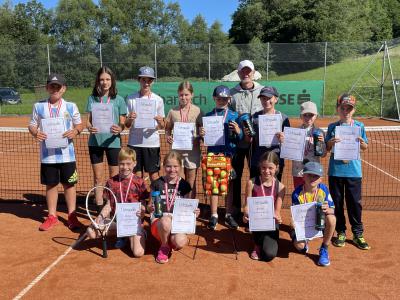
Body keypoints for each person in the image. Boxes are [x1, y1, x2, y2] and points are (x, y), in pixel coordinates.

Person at [28, 73, 84, 231]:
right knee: (51, 185)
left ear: (64, 89)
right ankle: (52, 216)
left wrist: (75, 131)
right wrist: (35, 132)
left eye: (58, 86)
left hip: (67, 154)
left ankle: (72, 216)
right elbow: (32, 125)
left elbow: (80, 124)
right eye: (52, 86)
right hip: (48, 156)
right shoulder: (38, 106)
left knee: (69, 185)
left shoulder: (71, 106)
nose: (55, 89)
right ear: (47, 88)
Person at [325, 93, 370, 250]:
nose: (346, 111)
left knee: (354, 204)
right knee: (337, 204)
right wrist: (330, 142)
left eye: (349, 108)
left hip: (354, 172)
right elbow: (326, 148)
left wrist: (362, 143)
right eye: (343, 108)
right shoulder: (332, 127)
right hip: (336, 171)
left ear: (353, 110)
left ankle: (358, 234)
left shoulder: (359, 126)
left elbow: (365, 147)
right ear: (338, 109)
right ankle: (341, 232)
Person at [86, 147, 149, 257]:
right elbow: (109, 204)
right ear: (118, 163)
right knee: (90, 232)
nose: (125, 167)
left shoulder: (140, 182)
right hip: (117, 223)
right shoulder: (111, 182)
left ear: (135, 163)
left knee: (138, 253)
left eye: (128, 164)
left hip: (134, 223)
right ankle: (123, 235)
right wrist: (100, 217)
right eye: (122, 163)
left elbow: (143, 203)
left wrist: (142, 211)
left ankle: (139, 234)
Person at [200, 85, 243, 230]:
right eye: (219, 98)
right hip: (213, 155)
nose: (221, 101)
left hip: (229, 156)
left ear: (229, 99)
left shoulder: (234, 116)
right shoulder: (208, 116)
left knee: (228, 186)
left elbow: (240, 138)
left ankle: (228, 214)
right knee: (214, 186)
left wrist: (238, 131)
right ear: (214, 98)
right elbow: (203, 140)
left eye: (224, 98)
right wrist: (202, 134)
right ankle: (214, 215)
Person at [86, 66, 127, 211]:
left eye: (108, 79)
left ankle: (113, 207)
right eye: (102, 79)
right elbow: (88, 121)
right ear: (98, 81)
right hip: (95, 142)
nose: (105, 82)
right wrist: (90, 127)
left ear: (112, 81)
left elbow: (123, 123)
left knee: (114, 177)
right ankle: (98, 207)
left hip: (113, 143)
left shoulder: (119, 100)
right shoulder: (92, 98)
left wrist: (120, 128)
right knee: (98, 177)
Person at [148, 151, 199, 264]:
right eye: (169, 166)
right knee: (166, 221)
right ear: (164, 166)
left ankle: (169, 239)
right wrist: (150, 208)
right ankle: (164, 246)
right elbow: (149, 206)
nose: (172, 170)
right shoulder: (156, 183)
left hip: (177, 222)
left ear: (180, 167)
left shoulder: (185, 185)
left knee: (180, 242)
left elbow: (187, 207)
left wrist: (194, 212)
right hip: (160, 222)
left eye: (175, 166)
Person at [230, 60, 264, 219]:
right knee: (235, 176)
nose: (246, 74)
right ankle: (235, 209)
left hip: (256, 144)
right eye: (243, 71)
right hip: (237, 143)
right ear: (238, 73)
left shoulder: (263, 91)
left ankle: (255, 210)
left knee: (256, 176)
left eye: (248, 71)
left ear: (253, 72)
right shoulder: (232, 93)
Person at [291, 161, 336, 267]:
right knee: (300, 247)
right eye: (309, 175)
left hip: (319, 222)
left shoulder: (324, 190)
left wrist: (327, 209)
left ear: (321, 178)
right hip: (304, 225)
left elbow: (332, 210)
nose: (312, 178)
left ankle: (324, 248)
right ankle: (305, 241)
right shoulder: (297, 194)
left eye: (316, 176)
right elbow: (295, 217)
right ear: (303, 176)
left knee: (332, 219)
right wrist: (293, 225)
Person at [125, 66, 165, 183]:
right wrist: (130, 119)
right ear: (139, 80)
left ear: (152, 82)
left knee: (154, 176)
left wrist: (159, 121)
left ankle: (153, 201)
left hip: (152, 143)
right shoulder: (131, 98)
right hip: (135, 143)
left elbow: (162, 126)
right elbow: (127, 125)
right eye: (143, 80)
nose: (146, 83)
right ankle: (138, 200)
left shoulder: (158, 100)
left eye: (149, 80)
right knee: (136, 176)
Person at [243, 151, 285, 262]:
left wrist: (278, 217)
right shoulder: (251, 183)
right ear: (259, 167)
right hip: (257, 222)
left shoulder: (280, 187)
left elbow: (277, 211)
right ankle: (257, 244)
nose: (266, 171)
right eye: (263, 167)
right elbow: (246, 206)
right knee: (261, 242)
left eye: (270, 168)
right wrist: (246, 214)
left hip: (271, 224)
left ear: (277, 168)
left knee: (269, 255)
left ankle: (266, 242)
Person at [165, 81, 203, 198]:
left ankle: (189, 208)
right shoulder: (172, 111)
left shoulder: (198, 111)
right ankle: (178, 206)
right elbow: (167, 128)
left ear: (192, 95)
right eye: (181, 95)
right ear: (178, 95)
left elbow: (202, 128)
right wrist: (168, 136)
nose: (184, 97)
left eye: (186, 94)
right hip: (177, 153)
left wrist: (201, 134)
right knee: (178, 181)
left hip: (193, 152)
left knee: (191, 182)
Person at [248, 86, 290, 181]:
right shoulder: (254, 118)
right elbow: (249, 141)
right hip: (258, 162)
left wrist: (283, 140)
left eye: (269, 98)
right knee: (256, 191)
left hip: (275, 162)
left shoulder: (283, 118)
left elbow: (288, 144)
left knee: (274, 191)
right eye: (263, 98)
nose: (266, 101)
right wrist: (248, 136)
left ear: (276, 99)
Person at [292, 101, 326, 188]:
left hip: (314, 172)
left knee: (313, 196)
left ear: (316, 116)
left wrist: (321, 144)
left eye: (311, 115)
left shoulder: (320, 132)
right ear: (301, 116)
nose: (308, 118)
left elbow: (323, 154)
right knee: (299, 195)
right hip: (299, 171)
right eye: (305, 115)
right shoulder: (295, 132)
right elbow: (289, 152)